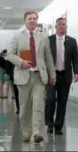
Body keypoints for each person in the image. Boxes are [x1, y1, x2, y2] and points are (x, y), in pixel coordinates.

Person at [6, 11, 56, 143]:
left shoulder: (43, 37)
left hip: (39, 76)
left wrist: (52, 74)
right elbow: (9, 55)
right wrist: (21, 62)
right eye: (30, 19)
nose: (32, 20)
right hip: (23, 75)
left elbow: (48, 57)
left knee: (39, 104)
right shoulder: (17, 35)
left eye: (34, 18)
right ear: (25, 21)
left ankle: (37, 133)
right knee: (24, 107)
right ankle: (26, 133)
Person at [45, 17, 78, 135]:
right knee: (50, 100)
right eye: (59, 24)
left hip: (65, 75)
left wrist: (76, 72)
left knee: (62, 101)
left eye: (64, 24)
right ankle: (49, 124)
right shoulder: (48, 40)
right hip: (52, 75)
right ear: (55, 27)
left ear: (66, 26)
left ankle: (58, 125)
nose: (62, 26)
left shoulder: (72, 41)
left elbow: (76, 59)